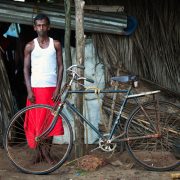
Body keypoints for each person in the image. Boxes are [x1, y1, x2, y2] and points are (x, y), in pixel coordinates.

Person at [23, 13, 64, 163]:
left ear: (49, 26)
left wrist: (58, 88)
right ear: (34, 28)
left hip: (51, 89)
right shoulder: (30, 46)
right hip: (36, 89)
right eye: (38, 25)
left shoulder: (56, 44)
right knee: (38, 122)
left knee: (50, 122)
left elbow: (61, 67)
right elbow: (25, 69)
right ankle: (41, 154)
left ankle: (46, 152)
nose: (41, 28)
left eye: (44, 25)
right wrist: (29, 90)